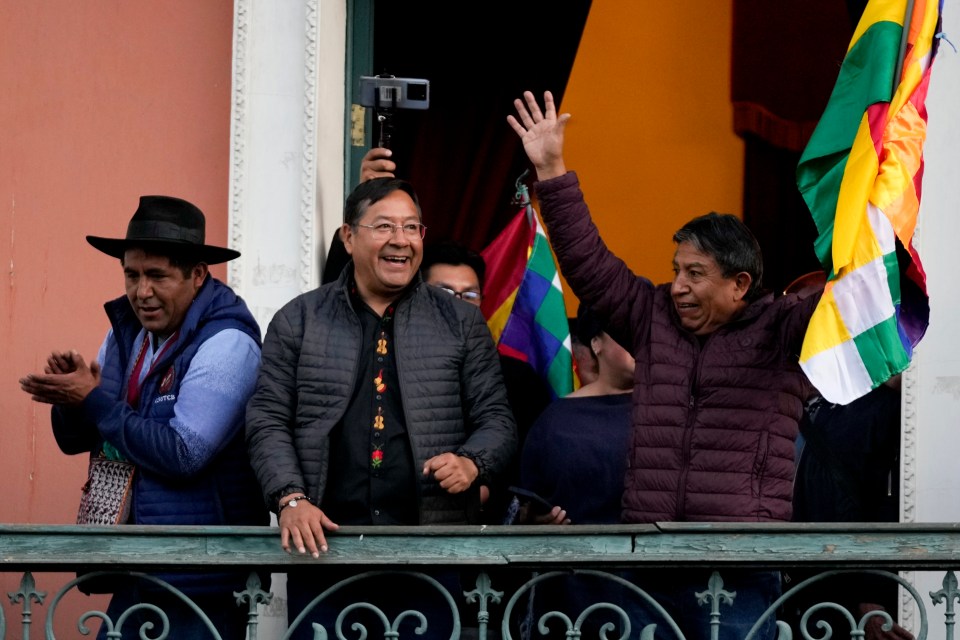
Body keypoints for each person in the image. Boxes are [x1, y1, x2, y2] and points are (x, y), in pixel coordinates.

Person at [507, 90, 823, 640]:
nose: (676, 286)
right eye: (676, 269)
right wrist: (553, 170)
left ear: (739, 283)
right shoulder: (652, 318)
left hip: (741, 567)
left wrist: (880, 214)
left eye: (695, 274)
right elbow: (589, 264)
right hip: (649, 563)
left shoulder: (784, 331)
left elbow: (853, 295)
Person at [245, 177, 517, 639]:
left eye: (412, 227)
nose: (401, 240)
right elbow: (267, 418)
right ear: (349, 237)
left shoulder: (461, 323)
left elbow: (498, 419)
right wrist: (290, 498)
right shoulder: (299, 319)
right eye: (385, 226)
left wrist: (473, 463)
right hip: (324, 550)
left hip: (432, 552)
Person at [19, 196, 268, 639]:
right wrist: (72, 399)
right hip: (136, 563)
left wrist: (93, 401)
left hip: (202, 576)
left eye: (157, 276)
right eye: (131, 275)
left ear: (197, 275)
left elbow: (184, 452)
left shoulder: (229, 344)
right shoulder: (126, 334)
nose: (141, 292)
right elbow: (78, 439)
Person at [420, 239, 552, 524]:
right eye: (443, 292)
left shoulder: (519, 379)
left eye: (469, 295)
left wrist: (488, 489)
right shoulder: (389, 366)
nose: (457, 304)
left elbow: (530, 465)